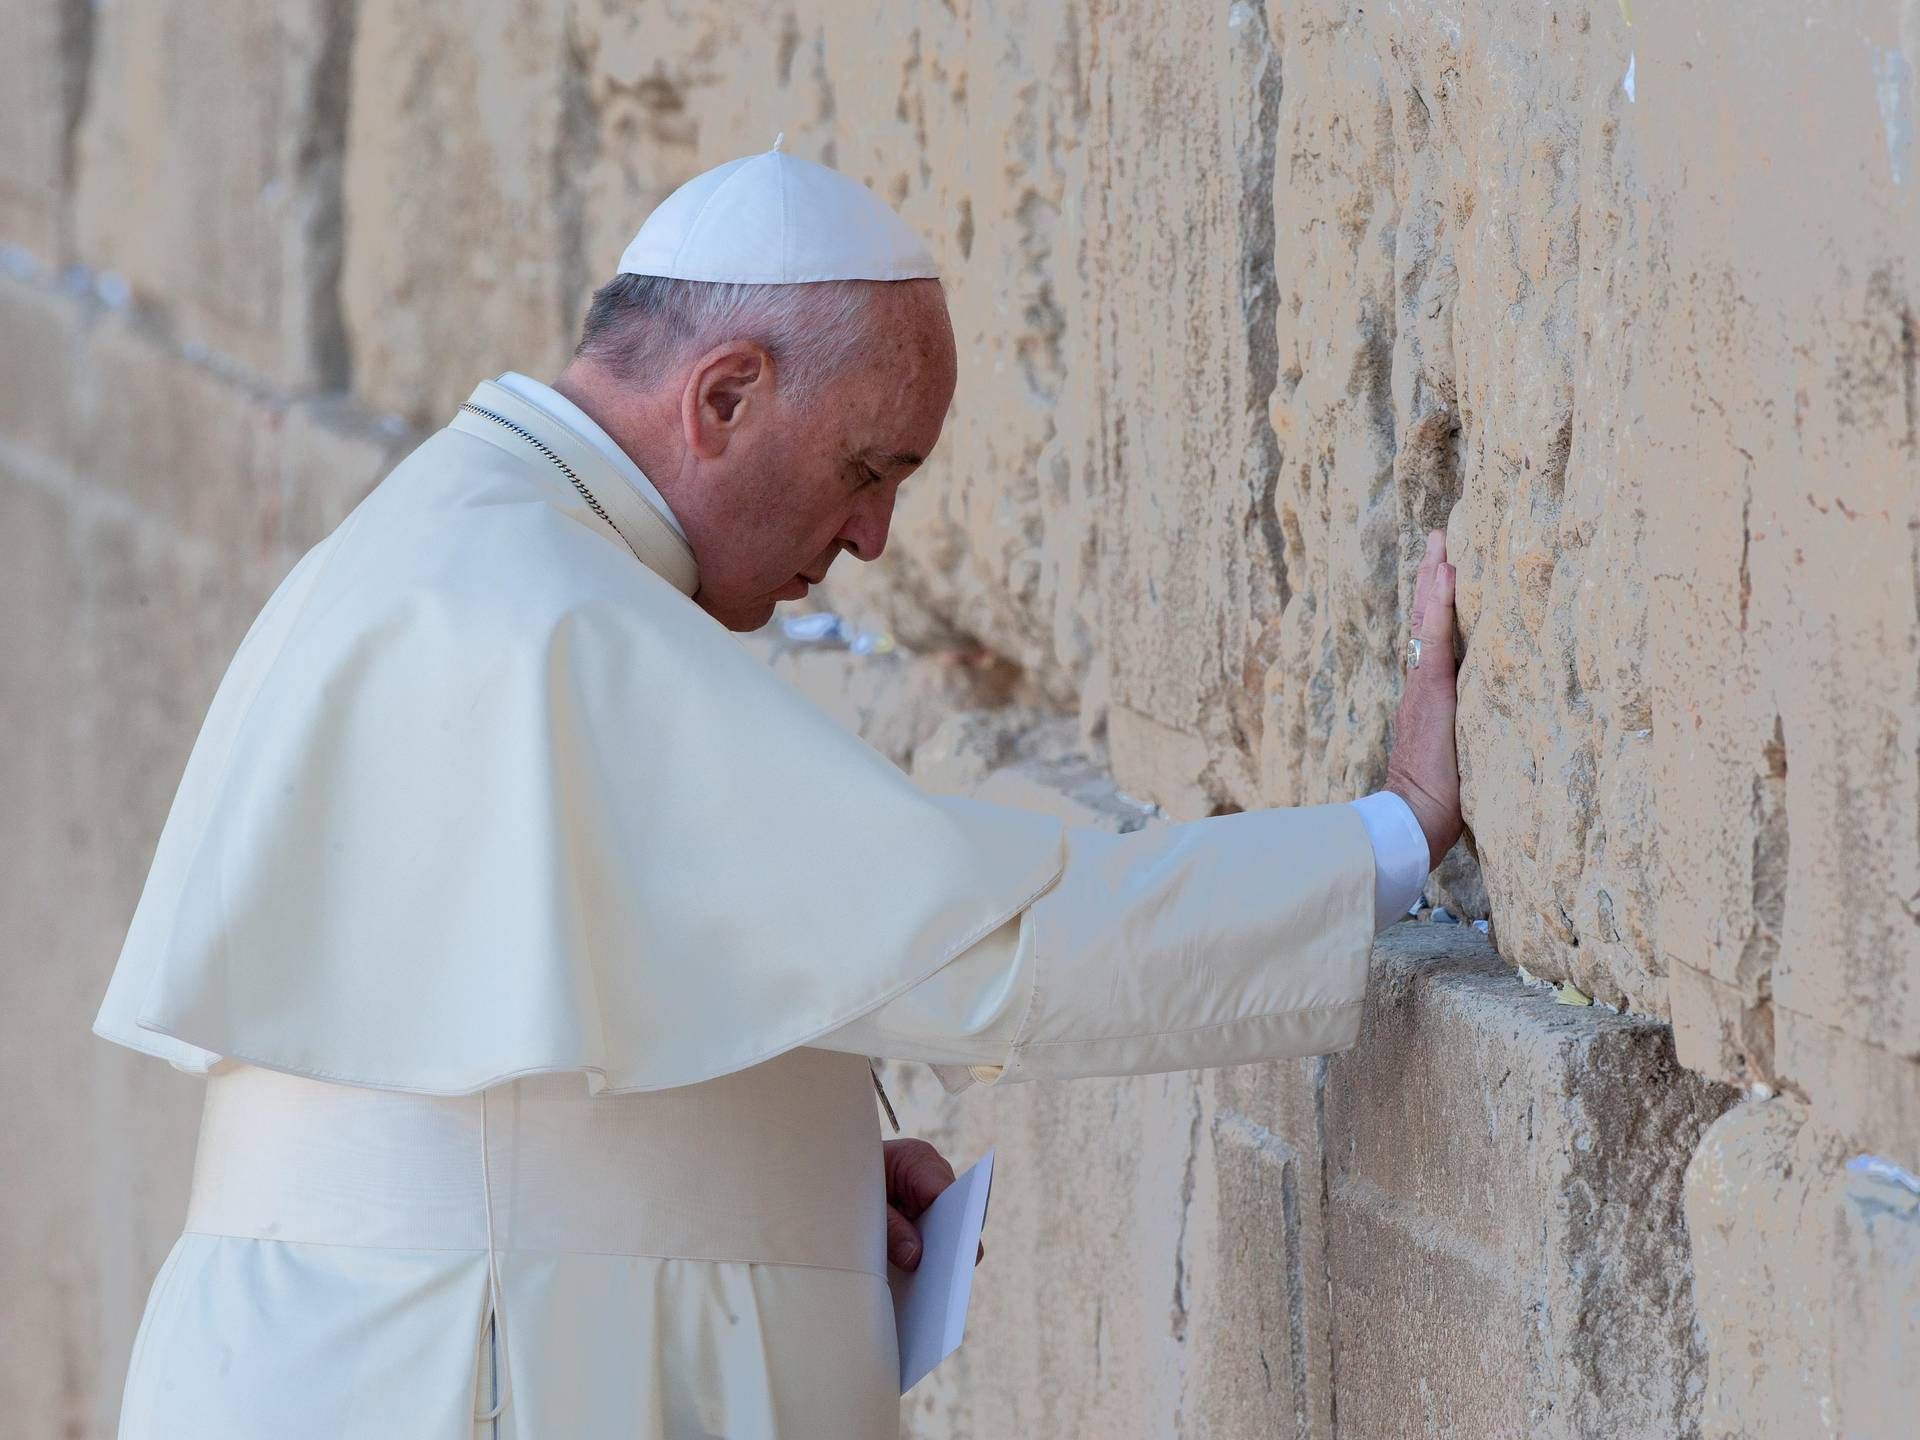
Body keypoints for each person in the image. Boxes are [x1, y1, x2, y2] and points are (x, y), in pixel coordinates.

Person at [91, 144, 1461, 1439]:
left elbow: (482, 1087)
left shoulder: (462, 544)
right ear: (726, 394)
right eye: (867, 470)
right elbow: (993, 949)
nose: (870, 535)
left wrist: (775, 1167)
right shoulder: (555, 617)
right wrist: (1388, 834)